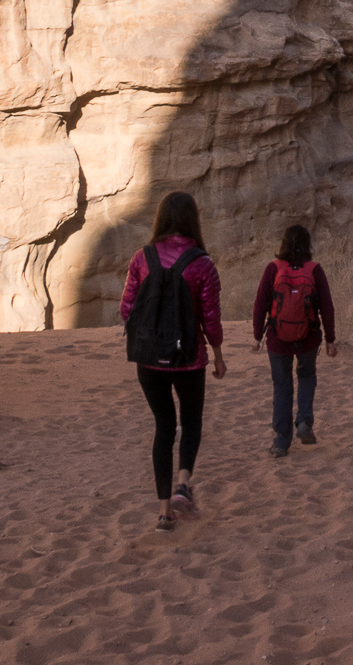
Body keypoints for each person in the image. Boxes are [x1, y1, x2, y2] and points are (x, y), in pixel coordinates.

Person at [118, 190, 226, 531]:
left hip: (149, 361)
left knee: (163, 428)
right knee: (191, 422)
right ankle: (183, 484)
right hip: (188, 359)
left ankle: (164, 512)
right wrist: (219, 354)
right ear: (193, 220)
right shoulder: (201, 263)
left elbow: (126, 310)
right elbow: (210, 318)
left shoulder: (141, 258)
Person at [252, 224, 337, 458]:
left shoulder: (273, 268)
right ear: (308, 244)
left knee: (282, 387)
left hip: (277, 339)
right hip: (308, 337)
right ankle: (304, 422)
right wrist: (330, 339)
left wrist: (257, 336)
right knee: (307, 375)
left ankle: (281, 442)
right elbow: (327, 307)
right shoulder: (314, 269)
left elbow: (260, 304)